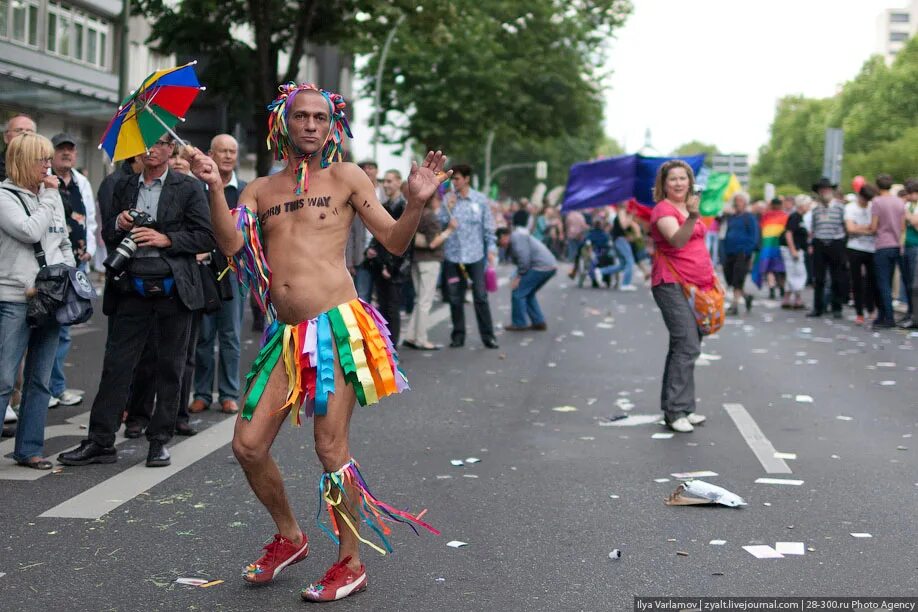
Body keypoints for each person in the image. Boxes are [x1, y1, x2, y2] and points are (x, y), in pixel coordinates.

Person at [186, 82, 442, 602]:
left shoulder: (347, 177)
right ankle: (290, 536)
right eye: (301, 116)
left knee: (330, 447)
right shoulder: (258, 190)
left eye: (319, 118)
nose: (310, 125)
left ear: (331, 126)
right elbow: (233, 247)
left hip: (336, 329)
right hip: (284, 337)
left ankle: (350, 562)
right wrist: (214, 187)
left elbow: (393, 242)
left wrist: (414, 203)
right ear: (284, 122)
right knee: (248, 445)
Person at [59, 133, 215, 469]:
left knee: (169, 367)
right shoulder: (123, 185)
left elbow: (205, 236)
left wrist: (165, 238)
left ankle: (159, 441)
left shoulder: (188, 188)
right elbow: (110, 235)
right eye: (146, 143)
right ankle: (101, 441)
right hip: (131, 285)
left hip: (174, 288)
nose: (151, 149)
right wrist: (119, 222)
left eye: (159, 143)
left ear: (171, 148)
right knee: (117, 365)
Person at [0, 133, 75, 468]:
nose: (48, 165)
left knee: (40, 379)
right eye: (41, 159)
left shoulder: (50, 196)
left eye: (49, 159)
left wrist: (69, 273)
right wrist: (48, 198)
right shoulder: (4, 197)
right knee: (4, 379)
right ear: (21, 162)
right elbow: (30, 231)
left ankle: (29, 448)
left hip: (50, 297)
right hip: (14, 297)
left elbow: (62, 239)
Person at [648, 160, 712, 434]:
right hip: (670, 283)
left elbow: (698, 244)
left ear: (690, 181)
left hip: (696, 285)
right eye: (672, 179)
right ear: (664, 184)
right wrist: (692, 217)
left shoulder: (690, 208)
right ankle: (674, 412)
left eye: (682, 178)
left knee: (687, 343)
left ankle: (683, 406)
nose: (678, 183)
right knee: (687, 344)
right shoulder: (663, 210)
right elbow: (677, 240)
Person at [188, 134, 247, 415]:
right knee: (204, 336)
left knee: (231, 336)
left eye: (232, 151)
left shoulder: (244, 190)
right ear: (210, 153)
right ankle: (201, 393)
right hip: (202, 272)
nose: (226, 156)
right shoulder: (197, 188)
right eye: (221, 151)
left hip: (234, 271)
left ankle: (228, 393)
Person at [48, 133, 97, 408]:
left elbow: (89, 219)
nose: (66, 154)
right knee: (46, 328)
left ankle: (57, 387)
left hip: (76, 264)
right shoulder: (46, 179)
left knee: (66, 326)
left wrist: (89, 249)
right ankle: (45, 389)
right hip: (51, 267)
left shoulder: (81, 182)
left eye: (71, 149)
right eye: (61, 149)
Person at [439, 164, 499, 349]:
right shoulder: (447, 200)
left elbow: (488, 227)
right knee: (455, 298)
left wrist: (491, 249)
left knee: (480, 296)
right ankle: (458, 335)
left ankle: (488, 336)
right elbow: (440, 227)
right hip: (453, 256)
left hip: (475, 256)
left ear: (466, 179)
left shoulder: (480, 200)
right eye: (452, 179)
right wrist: (447, 213)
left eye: (457, 178)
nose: (454, 182)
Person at [402, 193, 454, 350]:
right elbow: (433, 243)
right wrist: (449, 231)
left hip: (416, 260)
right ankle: (421, 339)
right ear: (434, 199)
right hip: (430, 261)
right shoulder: (431, 217)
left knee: (420, 300)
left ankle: (411, 335)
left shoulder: (416, 214)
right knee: (425, 302)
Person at [365, 170, 409, 345]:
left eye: (390, 181)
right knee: (383, 306)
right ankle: (387, 345)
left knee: (392, 307)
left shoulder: (403, 207)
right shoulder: (383, 204)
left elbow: (405, 241)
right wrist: (370, 250)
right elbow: (379, 234)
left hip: (395, 267)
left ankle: (393, 346)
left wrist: (390, 266)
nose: (386, 184)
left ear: (399, 182)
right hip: (381, 264)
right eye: (385, 181)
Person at [499, 210, 558, 331]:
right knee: (528, 293)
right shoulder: (515, 239)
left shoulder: (516, 238)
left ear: (504, 236)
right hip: (547, 265)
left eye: (499, 242)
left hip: (541, 266)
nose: (500, 246)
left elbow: (524, 260)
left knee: (518, 292)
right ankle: (539, 322)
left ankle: (519, 323)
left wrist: (518, 277)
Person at [869, 174, 907, 329]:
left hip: (882, 244)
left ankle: (887, 316)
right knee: (891, 280)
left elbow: (873, 226)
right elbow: (903, 225)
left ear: (878, 186)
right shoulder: (899, 202)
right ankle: (886, 315)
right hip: (897, 244)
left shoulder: (877, 202)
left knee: (883, 282)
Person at [807, 178, 848, 319]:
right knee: (818, 278)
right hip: (819, 242)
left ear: (831, 191)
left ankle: (837, 307)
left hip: (836, 242)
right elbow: (813, 228)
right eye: (821, 190)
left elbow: (844, 226)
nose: (823, 192)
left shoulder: (840, 207)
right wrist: (812, 243)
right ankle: (818, 307)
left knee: (837, 277)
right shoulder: (816, 210)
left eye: (826, 189)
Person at [844, 185, 877, 325]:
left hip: (871, 248)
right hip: (855, 248)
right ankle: (859, 313)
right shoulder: (850, 208)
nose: (867, 202)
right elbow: (850, 229)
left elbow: (875, 228)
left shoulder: (872, 207)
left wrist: (860, 228)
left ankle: (870, 309)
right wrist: (868, 229)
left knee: (871, 281)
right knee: (856, 281)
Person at [722, 193, 759, 315]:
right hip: (730, 251)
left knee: (738, 278)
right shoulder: (731, 217)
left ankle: (734, 305)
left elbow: (754, 236)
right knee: (730, 278)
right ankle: (746, 297)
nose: (738, 203)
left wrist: (747, 250)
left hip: (743, 252)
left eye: (741, 200)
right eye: (736, 200)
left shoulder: (749, 217)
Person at [780, 195, 809, 309]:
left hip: (796, 249)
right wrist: (793, 250)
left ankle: (787, 298)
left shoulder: (800, 217)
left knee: (792, 273)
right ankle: (797, 298)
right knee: (797, 273)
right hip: (792, 250)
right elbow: (789, 233)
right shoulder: (795, 217)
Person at [755, 198, 788, 300]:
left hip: (768, 246)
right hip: (780, 245)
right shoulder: (785, 216)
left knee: (770, 269)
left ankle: (772, 288)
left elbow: (760, 229)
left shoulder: (765, 216)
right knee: (782, 269)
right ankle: (782, 287)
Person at [901, 179, 918, 330]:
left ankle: (915, 316)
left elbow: (916, 224)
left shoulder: (912, 207)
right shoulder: (908, 205)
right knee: (906, 281)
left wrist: (908, 215)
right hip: (905, 245)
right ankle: (909, 312)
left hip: (916, 246)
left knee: (914, 284)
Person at [0, 114, 37, 182]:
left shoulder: (43, 166)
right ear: (6, 137)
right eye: (18, 130)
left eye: (29, 131)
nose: (24, 133)